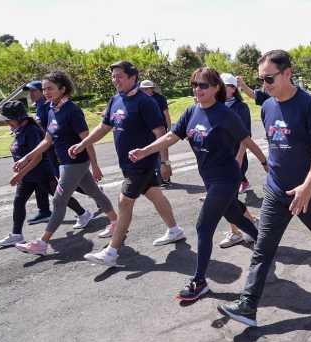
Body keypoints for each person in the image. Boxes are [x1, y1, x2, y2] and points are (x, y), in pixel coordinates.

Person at [218, 50, 311, 327]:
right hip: (276, 190)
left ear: (288, 73)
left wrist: (307, 186)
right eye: (261, 79)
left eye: (269, 78)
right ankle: (248, 306)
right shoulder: (267, 106)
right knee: (262, 247)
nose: (264, 85)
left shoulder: (309, 106)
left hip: (309, 190)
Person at [128, 67, 268, 300]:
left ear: (215, 88)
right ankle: (264, 244)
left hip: (227, 178)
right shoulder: (191, 110)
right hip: (210, 179)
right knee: (233, 214)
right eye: (194, 84)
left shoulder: (225, 113)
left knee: (203, 227)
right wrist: (145, 151)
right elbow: (172, 136)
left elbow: (246, 139)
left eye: (203, 85)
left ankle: (199, 281)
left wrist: (264, 162)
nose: (197, 89)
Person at [68, 61, 186, 267]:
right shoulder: (115, 100)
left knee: (124, 202)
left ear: (133, 78)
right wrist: (82, 144)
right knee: (156, 195)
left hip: (142, 163)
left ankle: (112, 252)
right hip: (127, 164)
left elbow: (162, 134)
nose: (115, 80)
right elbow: (104, 127)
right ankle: (174, 230)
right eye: (113, 76)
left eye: (120, 76)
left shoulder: (145, 102)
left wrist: (165, 161)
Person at [12, 71, 118, 256]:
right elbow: (47, 141)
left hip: (75, 163)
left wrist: (95, 166)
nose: (46, 92)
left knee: (59, 200)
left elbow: (87, 139)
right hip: (64, 163)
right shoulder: (52, 109)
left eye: (50, 88)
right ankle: (116, 223)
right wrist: (25, 157)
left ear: (62, 89)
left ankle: (42, 243)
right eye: (44, 89)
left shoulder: (72, 111)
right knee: (93, 191)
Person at [0, 101, 90, 247]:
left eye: (8, 119)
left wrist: (19, 174)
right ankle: (16, 235)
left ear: (19, 117)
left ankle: (83, 214)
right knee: (19, 201)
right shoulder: (19, 129)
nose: (7, 122)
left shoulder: (31, 130)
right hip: (28, 175)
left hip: (42, 173)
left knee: (60, 198)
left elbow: (37, 157)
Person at [217, 72, 261, 249]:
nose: (219, 89)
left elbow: (245, 136)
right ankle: (250, 222)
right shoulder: (217, 106)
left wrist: (240, 157)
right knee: (230, 199)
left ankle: (238, 231)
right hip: (221, 159)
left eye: (224, 86)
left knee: (229, 198)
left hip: (236, 158)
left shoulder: (240, 108)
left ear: (233, 89)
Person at [21, 80, 51, 224]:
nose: (31, 94)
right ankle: (44, 210)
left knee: (69, 182)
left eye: (34, 91)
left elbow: (49, 131)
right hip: (44, 149)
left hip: (52, 150)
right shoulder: (39, 106)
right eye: (30, 91)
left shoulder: (47, 107)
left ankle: (95, 194)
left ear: (42, 91)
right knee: (43, 180)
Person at [139, 79, 172, 187]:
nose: (143, 91)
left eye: (145, 89)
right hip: (148, 130)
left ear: (151, 89)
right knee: (152, 152)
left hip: (160, 128)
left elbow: (166, 113)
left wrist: (169, 128)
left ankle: (164, 178)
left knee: (160, 152)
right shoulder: (142, 99)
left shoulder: (160, 98)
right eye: (142, 89)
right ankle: (159, 177)